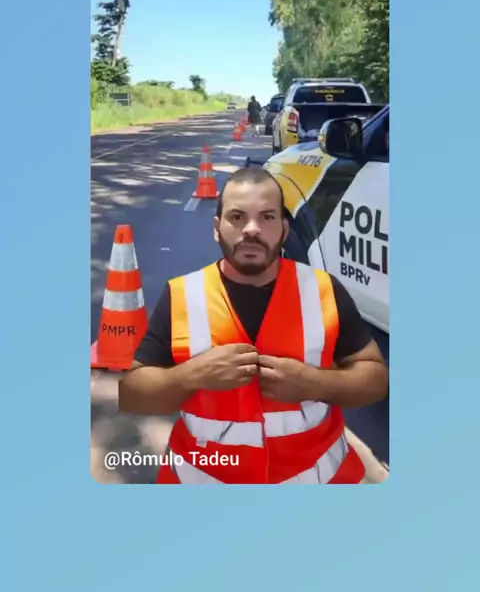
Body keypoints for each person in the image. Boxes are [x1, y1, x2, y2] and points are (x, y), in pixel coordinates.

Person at [118, 167, 389, 485]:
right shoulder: (182, 294)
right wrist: (191, 376)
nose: (251, 229)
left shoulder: (323, 289)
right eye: (237, 217)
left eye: (267, 217)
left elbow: (376, 378)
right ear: (217, 229)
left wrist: (317, 384)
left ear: (284, 230)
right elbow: (132, 394)